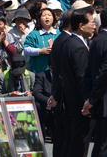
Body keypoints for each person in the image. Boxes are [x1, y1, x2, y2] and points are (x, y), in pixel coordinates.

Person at [54, 6, 95, 157]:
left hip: (68, 101)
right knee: (80, 144)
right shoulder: (78, 47)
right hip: (78, 105)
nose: (94, 25)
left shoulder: (68, 42)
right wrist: (88, 102)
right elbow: (82, 78)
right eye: (91, 22)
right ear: (81, 25)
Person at [82, 9, 107, 156]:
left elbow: (90, 73)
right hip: (102, 99)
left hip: (98, 100)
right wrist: (92, 98)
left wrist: (90, 98)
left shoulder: (97, 40)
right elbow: (104, 73)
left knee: (100, 143)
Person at [49, 10, 72, 157]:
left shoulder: (59, 39)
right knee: (65, 136)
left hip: (59, 91)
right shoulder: (66, 41)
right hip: (65, 94)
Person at [24, 8, 60, 73]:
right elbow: (26, 49)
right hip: (38, 71)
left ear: (54, 18)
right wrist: (40, 51)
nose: (47, 17)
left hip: (57, 71)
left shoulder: (59, 33)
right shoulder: (34, 34)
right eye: (44, 15)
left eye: (49, 15)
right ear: (39, 19)